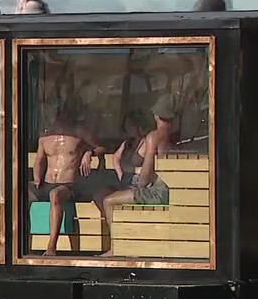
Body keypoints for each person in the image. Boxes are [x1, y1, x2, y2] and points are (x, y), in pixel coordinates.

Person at [29, 106, 107, 254]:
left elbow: (102, 147)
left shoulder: (79, 133)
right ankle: (15, 243)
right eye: (55, 114)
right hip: (47, 182)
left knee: (55, 195)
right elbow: (39, 159)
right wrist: (37, 177)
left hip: (70, 185)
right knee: (19, 195)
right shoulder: (45, 137)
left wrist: (90, 153)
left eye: (60, 113)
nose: (57, 117)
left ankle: (51, 246)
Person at [97, 96, 176, 233]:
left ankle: (116, 243)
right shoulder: (174, 136)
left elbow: (146, 175)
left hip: (157, 191)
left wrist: (137, 187)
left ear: (156, 115)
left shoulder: (153, 137)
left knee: (108, 201)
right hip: (171, 189)